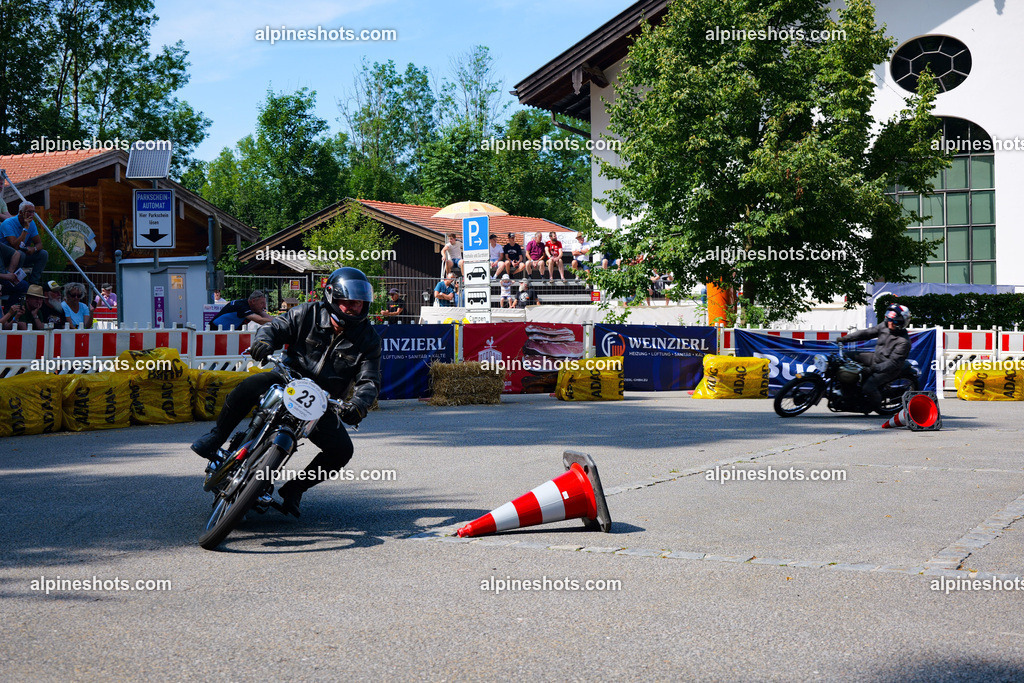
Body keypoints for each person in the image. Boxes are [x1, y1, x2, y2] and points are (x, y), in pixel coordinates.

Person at [191, 267, 381, 517]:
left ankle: (295, 489)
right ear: (332, 297)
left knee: (342, 451)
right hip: (287, 378)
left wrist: (359, 404)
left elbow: (369, 380)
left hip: (321, 401)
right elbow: (275, 327)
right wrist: (264, 341)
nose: (355, 307)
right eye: (348, 302)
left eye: (359, 302)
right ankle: (216, 438)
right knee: (249, 386)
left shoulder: (369, 338)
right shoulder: (308, 313)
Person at [839, 304, 912, 414]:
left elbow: (893, 363)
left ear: (903, 323)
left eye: (895, 321)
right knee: (847, 356)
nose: (890, 323)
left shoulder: (903, 342)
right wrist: (846, 338)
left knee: (868, 387)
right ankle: (847, 389)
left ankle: (872, 406)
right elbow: (867, 333)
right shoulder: (884, 326)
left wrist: (872, 369)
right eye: (889, 319)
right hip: (875, 358)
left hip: (888, 369)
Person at [0, 201, 48, 284]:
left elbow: (39, 244)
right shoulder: (8, 223)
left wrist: (34, 249)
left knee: (43, 254)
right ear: (20, 212)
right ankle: (13, 281)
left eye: (33, 212)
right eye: (29, 211)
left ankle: (33, 283)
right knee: (20, 253)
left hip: (22, 253)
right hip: (7, 256)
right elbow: (15, 246)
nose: (32, 214)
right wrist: (25, 228)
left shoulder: (31, 223)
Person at [209, 290, 274, 330]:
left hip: (227, 332)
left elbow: (267, 317)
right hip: (214, 330)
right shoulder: (242, 306)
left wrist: (277, 320)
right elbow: (260, 320)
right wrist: (277, 321)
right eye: (262, 303)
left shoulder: (254, 306)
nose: (264, 306)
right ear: (253, 301)